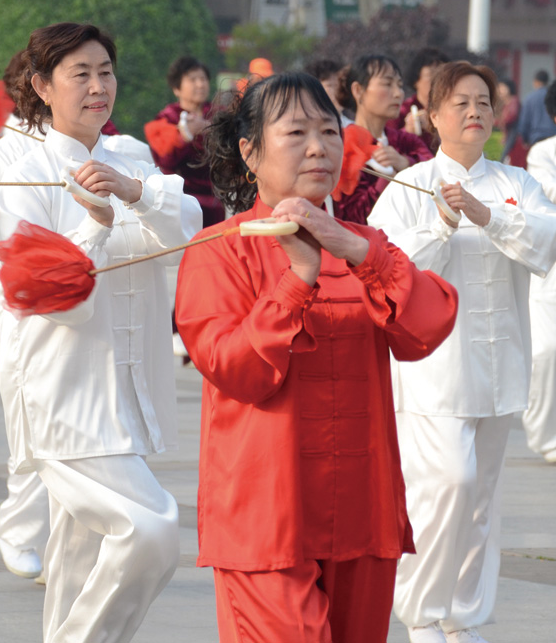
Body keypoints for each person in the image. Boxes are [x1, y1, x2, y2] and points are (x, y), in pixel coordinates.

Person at [174, 72, 459, 643]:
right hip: (265, 517)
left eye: (329, 132)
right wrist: (297, 279)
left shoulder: (363, 246)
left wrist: (357, 249)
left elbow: (428, 327)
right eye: (296, 132)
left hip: (362, 511)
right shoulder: (219, 251)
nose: (318, 148)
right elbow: (236, 368)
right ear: (249, 151)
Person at [0, 22, 202, 643]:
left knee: (77, 562)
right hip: (65, 394)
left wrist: (135, 192)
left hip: (129, 390)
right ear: (41, 87)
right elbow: (42, 293)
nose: (97, 86)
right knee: (151, 529)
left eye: (105, 71)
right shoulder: (23, 172)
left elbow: (187, 232)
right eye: (79, 74)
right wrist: (95, 226)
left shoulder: (130, 160)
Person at [368, 61, 556, 643]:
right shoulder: (410, 186)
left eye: (484, 101)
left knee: (480, 499)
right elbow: (383, 264)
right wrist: (441, 223)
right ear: (433, 115)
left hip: (501, 367)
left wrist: (489, 215)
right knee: (446, 487)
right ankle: (422, 613)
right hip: (435, 369)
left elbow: (550, 239)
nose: (475, 111)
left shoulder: (516, 182)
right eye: (460, 102)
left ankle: (463, 618)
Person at [0, 51, 50, 582]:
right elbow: (12, 239)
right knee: (30, 425)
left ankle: (65, 546)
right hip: (29, 311)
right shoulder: (9, 150)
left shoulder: (90, 143)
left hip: (85, 307)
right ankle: (20, 532)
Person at [333, 54, 433, 224]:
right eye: (387, 84)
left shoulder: (406, 141)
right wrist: (386, 178)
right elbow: (350, 217)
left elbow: (435, 176)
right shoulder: (342, 145)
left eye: (400, 85)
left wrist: (406, 164)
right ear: (358, 90)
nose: (398, 93)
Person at [523, 75, 556, 464]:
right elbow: (549, 191)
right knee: (551, 349)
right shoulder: (544, 152)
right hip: (554, 264)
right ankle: (548, 436)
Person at [147, 55, 224, 228]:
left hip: (218, 200)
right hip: (182, 200)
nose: (200, 84)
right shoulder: (167, 118)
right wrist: (186, 135)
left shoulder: (219, 114)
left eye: (203, 79)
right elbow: (165, 161)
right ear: (177, 88)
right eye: (193, 79)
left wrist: (207, 127)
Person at [387, 46, 450, 153]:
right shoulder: (400, 111)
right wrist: (407, 131)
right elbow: (388, 144)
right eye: (431, 76)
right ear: (416, 80)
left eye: (442, 77)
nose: (437, 82)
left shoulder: (452, 110)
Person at [518, 69, 556, 147]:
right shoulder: (555, 98)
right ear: (547, 82)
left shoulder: (529, 99)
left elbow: (524, 122)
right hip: (554, 138)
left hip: (536, 138)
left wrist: (525, 139)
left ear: (536, 82)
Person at [494, 79, 520, 164]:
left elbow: (511, 117)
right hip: (509, 134)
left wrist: (499, 121)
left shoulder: (513, 101)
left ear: (508, 88)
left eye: (502, 87)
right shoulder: (505, 103)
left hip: (514, 134)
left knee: (505, 155)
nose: (499, 90)